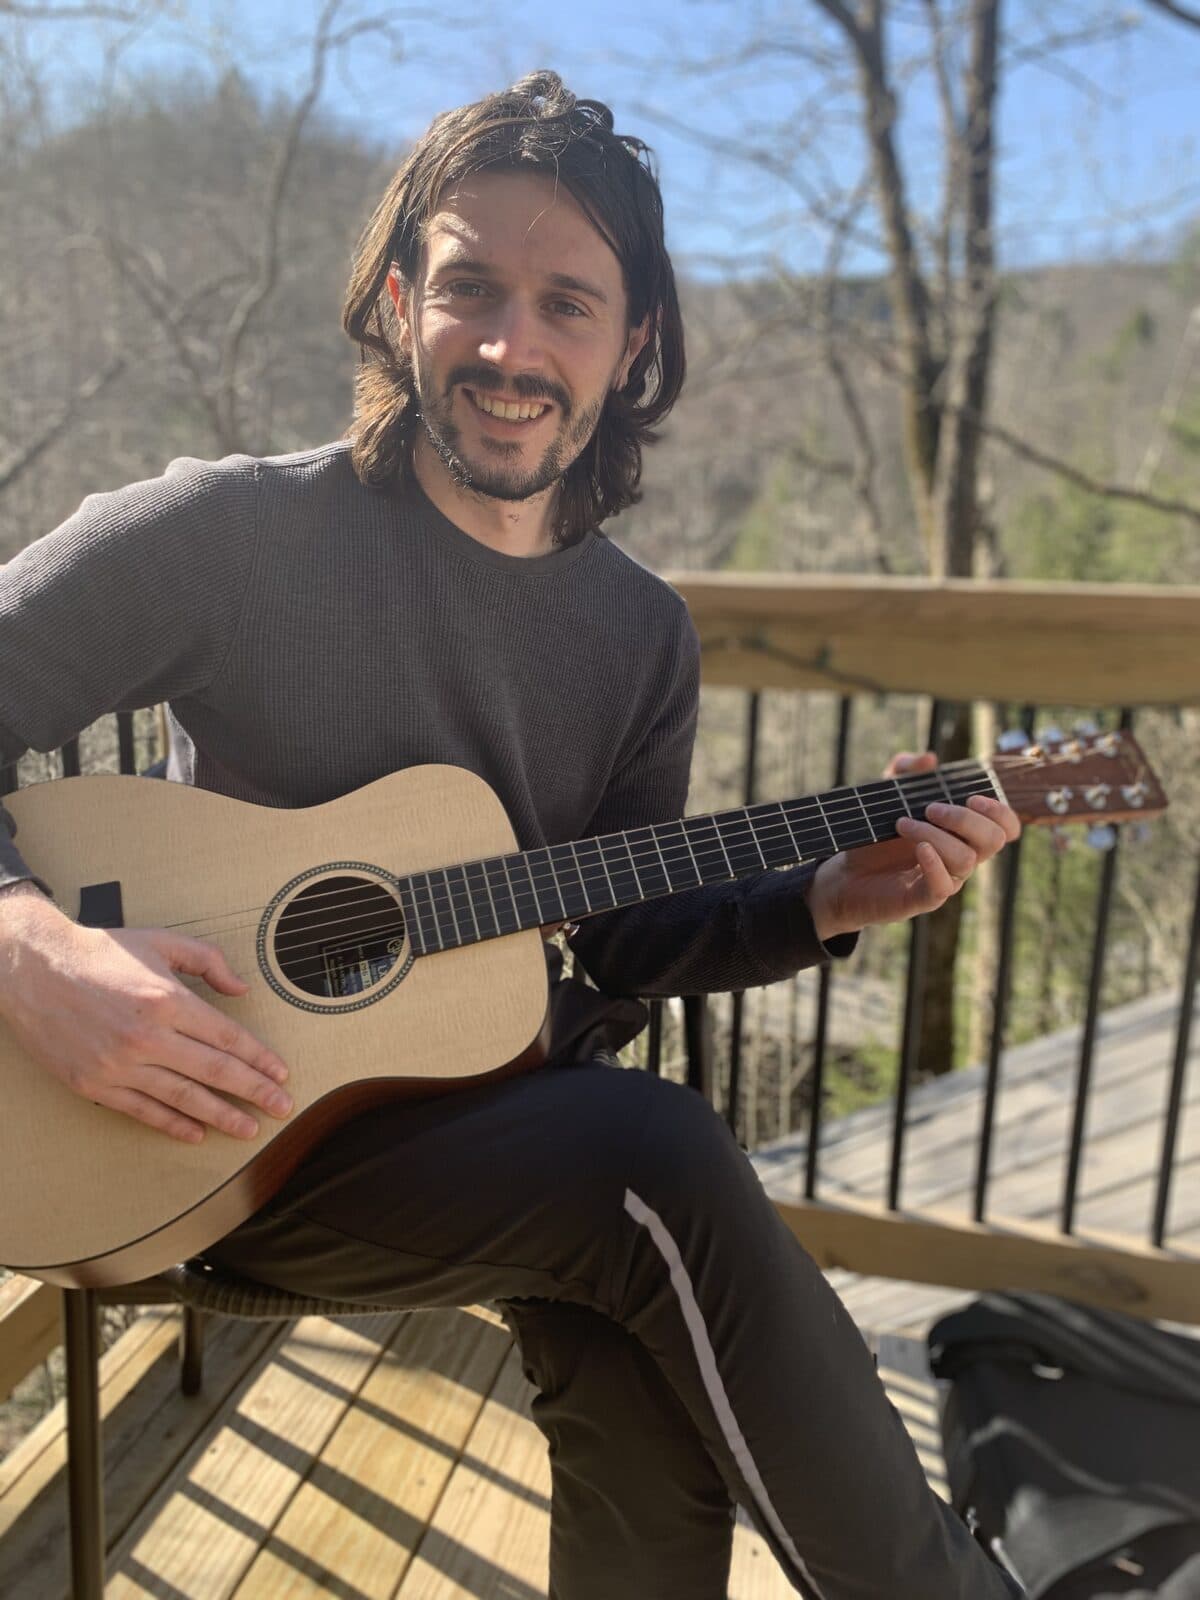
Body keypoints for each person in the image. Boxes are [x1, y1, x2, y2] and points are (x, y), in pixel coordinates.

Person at [0, 73, 1023, 1599]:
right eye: (471, 287)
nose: (509, 346)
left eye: (567, 304)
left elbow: (615, 935)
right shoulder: (223, 538)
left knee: (634, 1309)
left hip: (466, 1127)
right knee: (654, 1162)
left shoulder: (637, 638)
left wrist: (825, 895)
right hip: (199, 1137)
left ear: (635, 346)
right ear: (401, 299)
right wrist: (33, 952)